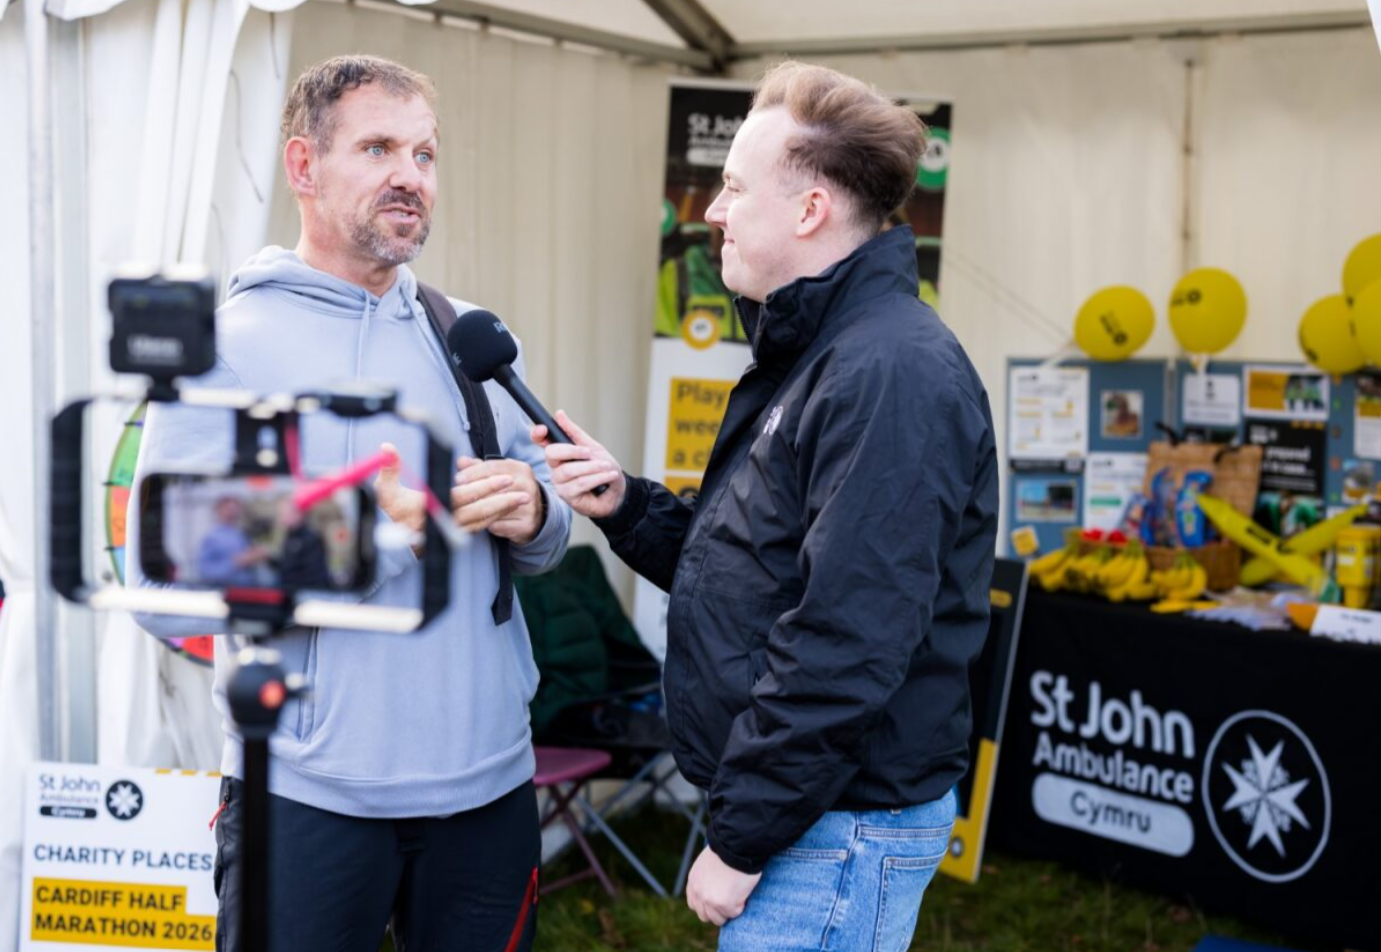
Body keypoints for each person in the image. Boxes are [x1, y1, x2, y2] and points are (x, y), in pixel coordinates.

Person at [540, 61, 998, 951]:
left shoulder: (886, 372)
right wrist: (627, 505)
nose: (710, 210)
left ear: (809, 210)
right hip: (812, 815)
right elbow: (758, 572)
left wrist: (741, 837)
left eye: (733, 187)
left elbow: (847, 637)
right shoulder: (825, 351)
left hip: (830, 829)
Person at [126, 55, 570, 952]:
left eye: (425, 154)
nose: (411, 175)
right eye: (377, 148)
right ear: (302, 167)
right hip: (308, 796)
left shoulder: (465, 331)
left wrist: (535, 510)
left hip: (488, 792)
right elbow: (165, 568)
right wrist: (373, 531)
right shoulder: (226, 348)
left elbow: (543, 520)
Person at [196, 496, 269, 586]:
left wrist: (255, 555)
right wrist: (235, 563)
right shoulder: (211, 538)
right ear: (218, 510)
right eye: (228, 509)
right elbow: (206, 572)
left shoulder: (241, 535)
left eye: (235, 508)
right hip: (225, 591)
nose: (233, 512)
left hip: (248, 589)